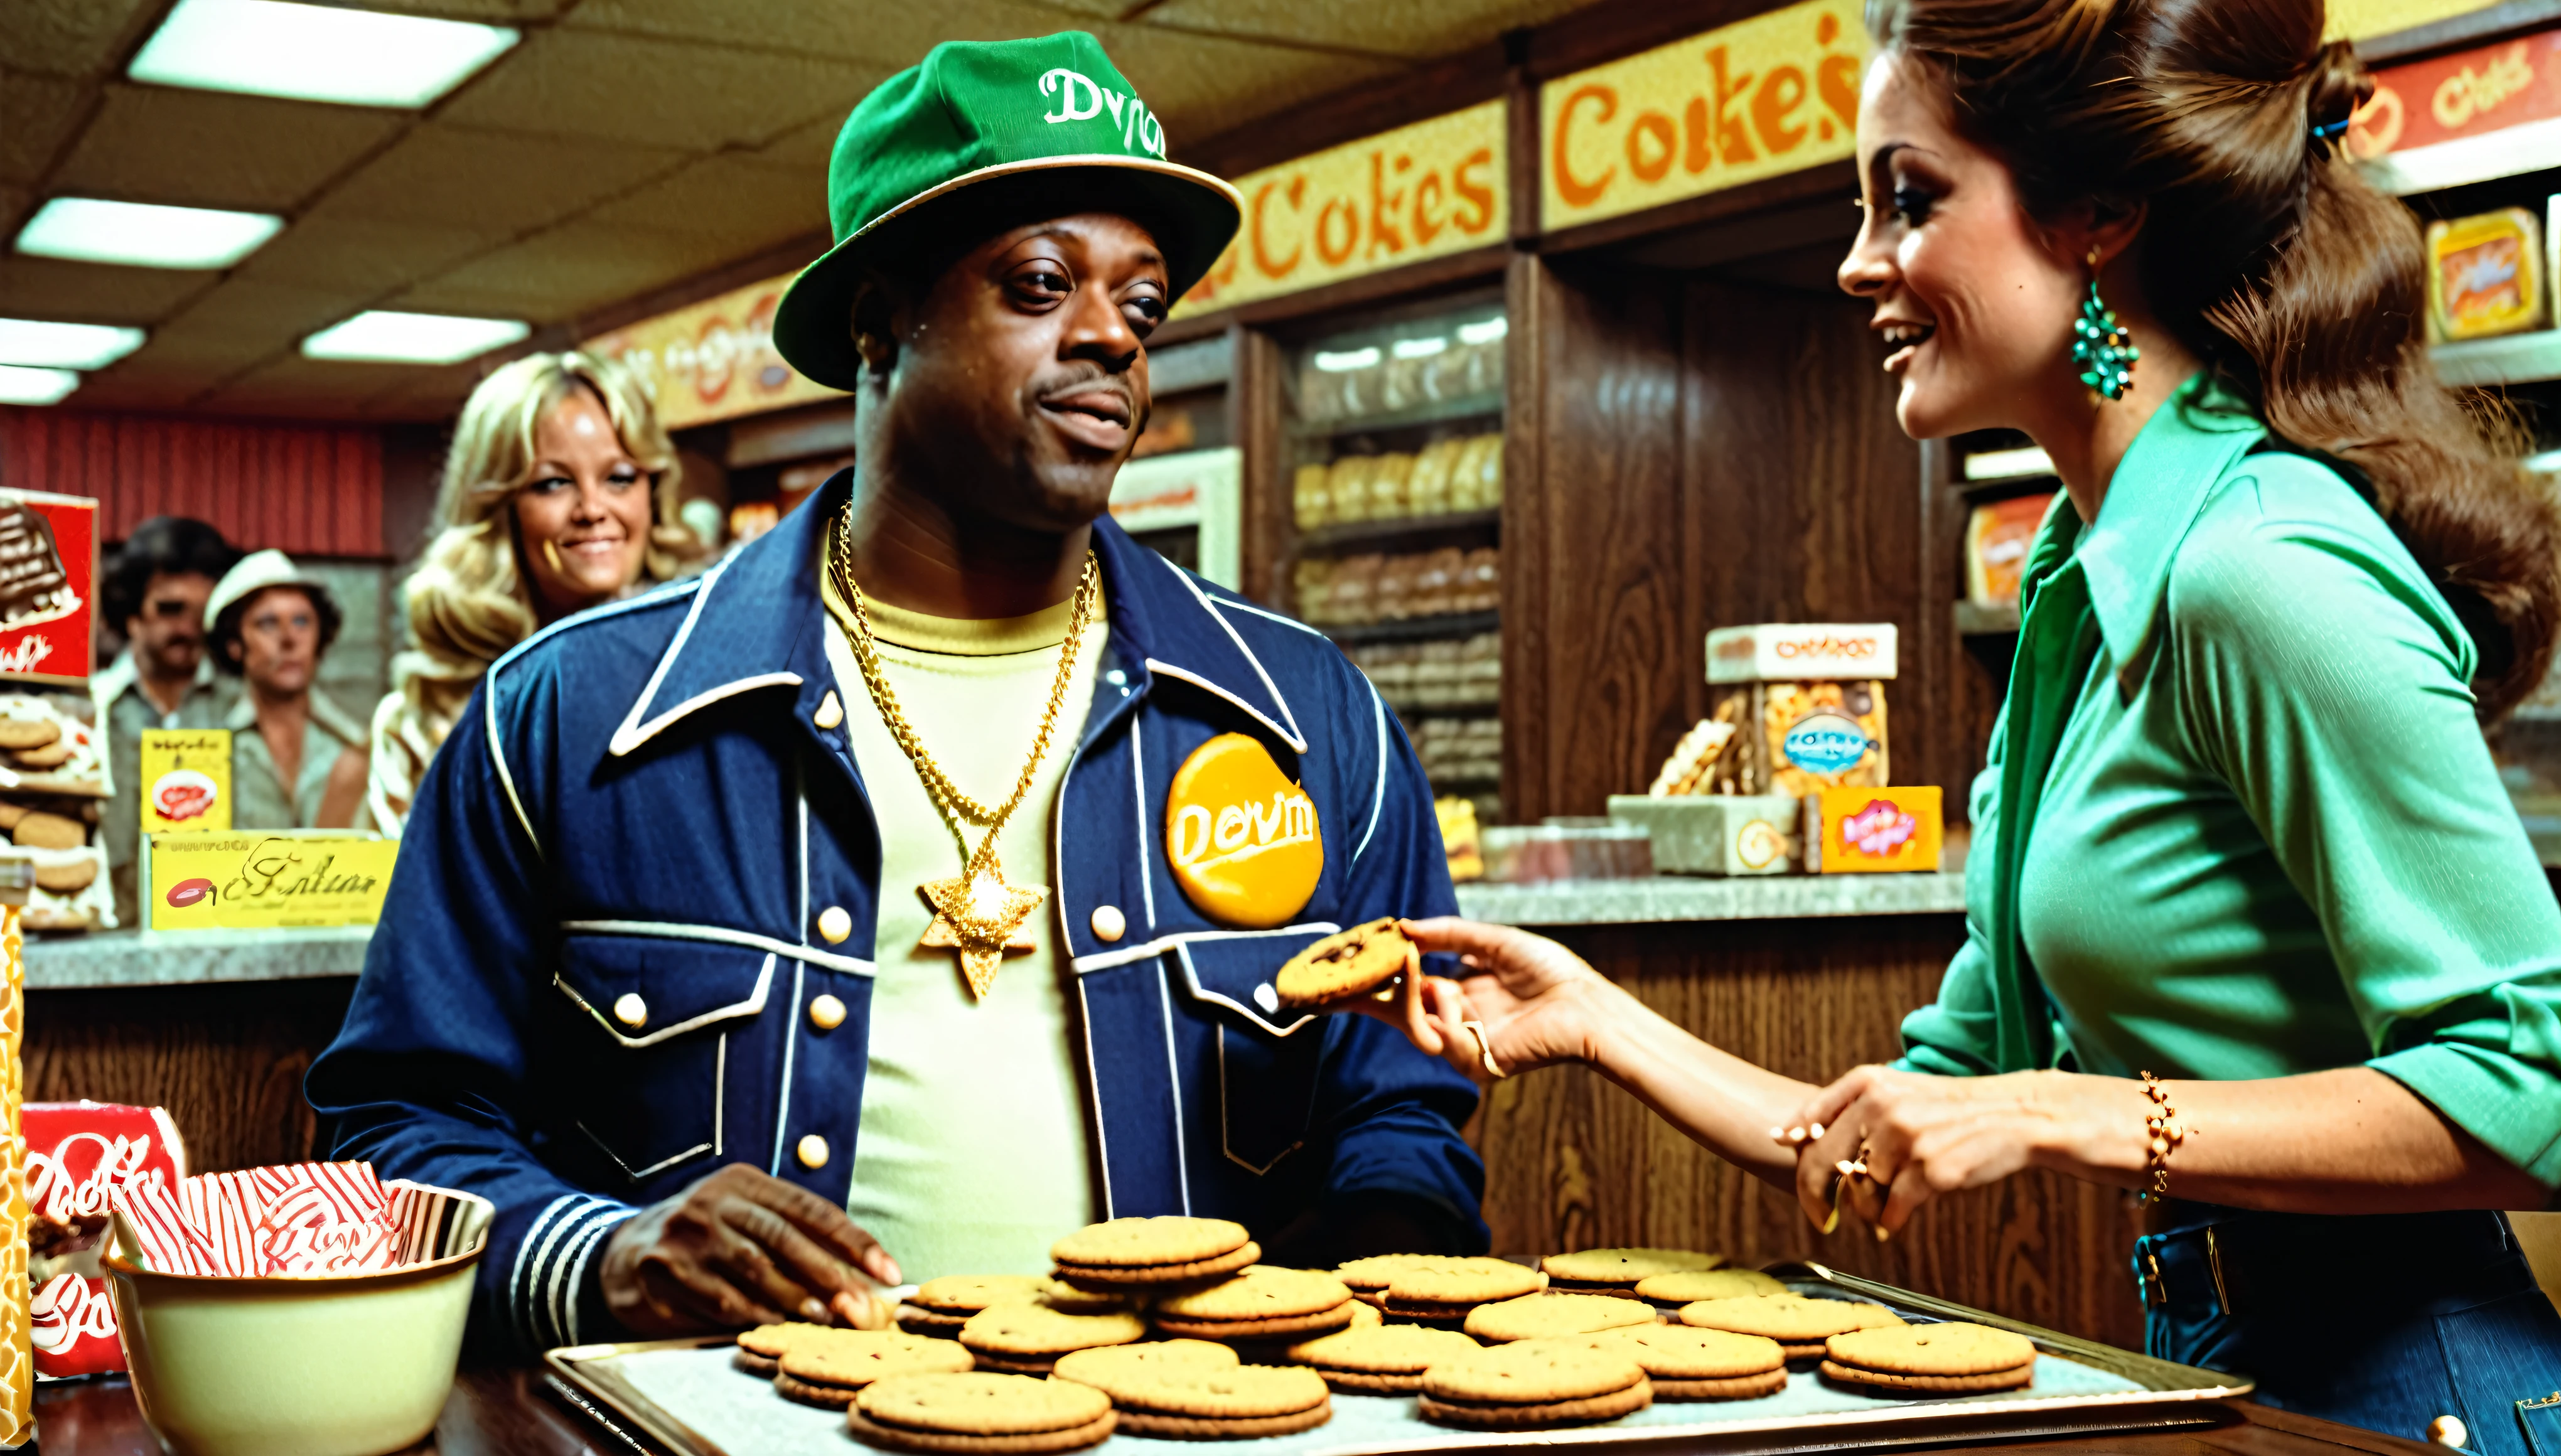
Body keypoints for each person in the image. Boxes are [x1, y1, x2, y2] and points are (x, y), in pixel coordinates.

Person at [1369, 1, 2561, 1447]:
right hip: (2220, 1352)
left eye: (1907, 199)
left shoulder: (2255, 568)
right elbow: (1900, 1120)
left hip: (2409, 1386)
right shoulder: (2079, 577)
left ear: (2100, 214)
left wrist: (2068, 1114)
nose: (1856, 259)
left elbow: (2529, 1082)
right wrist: (1594, 1020)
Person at [308, 31, 1484, 1361]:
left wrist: (1357, 1338)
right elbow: (400, 1127)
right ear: (880, 321)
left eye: (1142, 304)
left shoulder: (1305, 714)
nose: (1109, 335)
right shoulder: (571, 716)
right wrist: (609, 1252)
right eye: (1041, 283)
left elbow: (1404, 1099)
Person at [367, 350, 696, 835]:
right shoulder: (422, 718)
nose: (592, 508)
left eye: (619, 478)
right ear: (498, 509)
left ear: (654, 493)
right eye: (553, 484)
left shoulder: (707, 673)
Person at [92, 517, 241, 925]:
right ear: (130, 613)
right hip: (109, 940)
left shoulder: (242, 710)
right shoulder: (91, 710)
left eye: (202, 612)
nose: (188, 628)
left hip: (219, 938)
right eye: (170, 609)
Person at [204, 550, 368, 830]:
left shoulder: (354, 743)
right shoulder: (205, 744)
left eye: (302, 621)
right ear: (235, 644)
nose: (290, 639)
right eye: (268, 623)